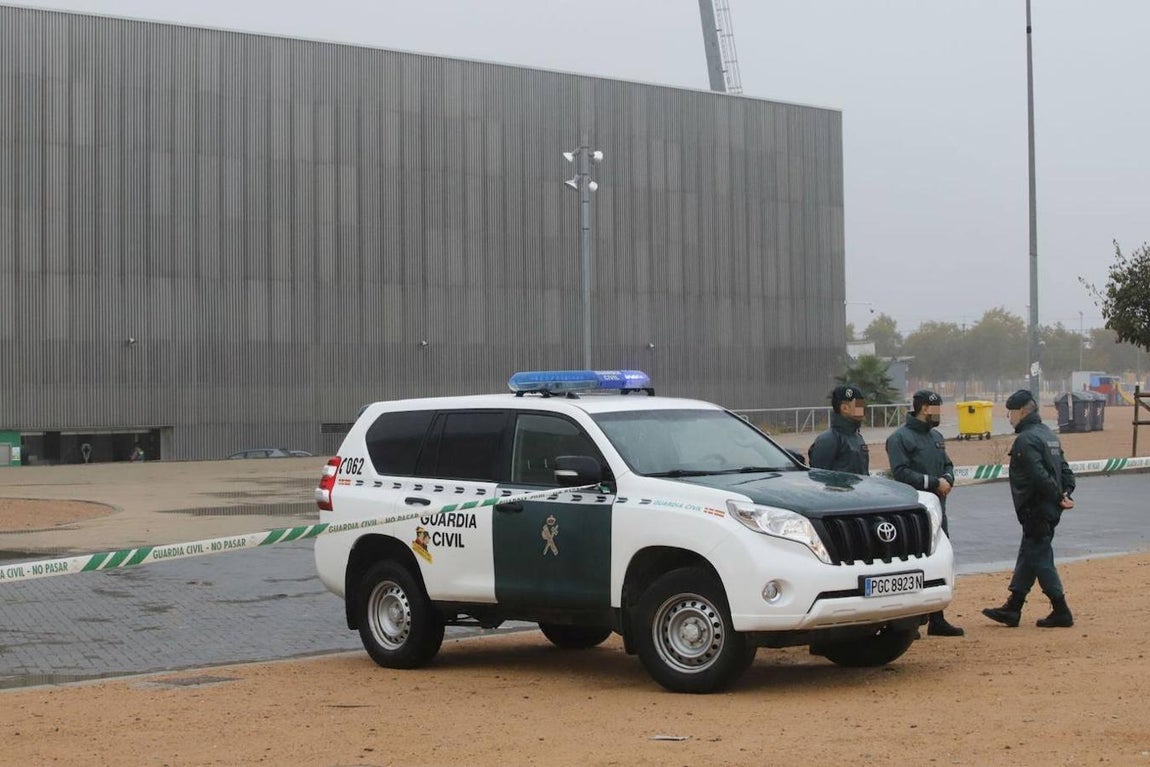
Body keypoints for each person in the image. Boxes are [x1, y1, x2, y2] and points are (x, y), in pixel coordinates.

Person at [982, 389, 1077, 629]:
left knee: (1040, 556)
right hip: (1049, 508)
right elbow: (1065, 470)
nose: (1009, 417)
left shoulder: (1026, 439)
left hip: (1036, 508)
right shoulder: (1048, 435)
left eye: (1011, 412)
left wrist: (1057, 496)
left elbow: (1038, 476)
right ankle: (1013, 607)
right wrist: (1065, 493)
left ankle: (1060, 608)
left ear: (1023, 411)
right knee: (1030, 553)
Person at [885, 389, 963, 637]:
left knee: (938, 562)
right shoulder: (900, 439)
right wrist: (933, 483)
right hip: (914, 514)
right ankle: (906, 622)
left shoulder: (936, 437)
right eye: (935, 409)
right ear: (923, 409)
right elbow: (901, 473)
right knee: (910, 566)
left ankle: (937, 618)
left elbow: (948, 464)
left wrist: (948, 478)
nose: (938, 413)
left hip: (939, 512)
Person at [808, 384, 869, 474]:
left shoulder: (857, 437)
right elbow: (819, 477)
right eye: (858, 405)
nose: (862, 408)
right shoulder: (828, 440)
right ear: (845, 408)